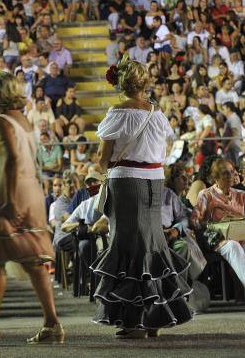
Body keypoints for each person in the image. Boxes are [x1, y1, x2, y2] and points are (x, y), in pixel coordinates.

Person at [91, 54, 192, 339]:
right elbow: (164, 147)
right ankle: (155, 316)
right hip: (155, 180)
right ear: (144, 82)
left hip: (127, 181)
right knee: (152, 242)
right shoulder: (157, 113)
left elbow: (103, 155)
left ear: (120, 83)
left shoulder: (118, 112)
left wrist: (101, 172)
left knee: (128, 245)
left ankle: (133, 319)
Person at [0, 72, 63, 346]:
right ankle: (52, 323)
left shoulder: (0, 122)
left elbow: (12, 161)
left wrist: (6, 203)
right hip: (30, 193)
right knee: (33, 261)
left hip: (5, 195)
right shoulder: (25, 121)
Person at [193, 158, 245, 308]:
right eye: (225, 173)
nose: (231, 176)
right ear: (215, 177)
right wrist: (217, 224)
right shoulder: (206, 195)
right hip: (219, 239)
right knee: (233, 246)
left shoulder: (241, 195)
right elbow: (196, 221)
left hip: (242, 235)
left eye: (232, 172)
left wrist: (244, 218)